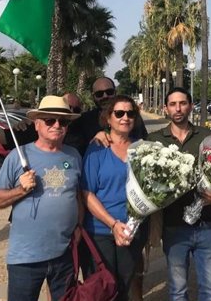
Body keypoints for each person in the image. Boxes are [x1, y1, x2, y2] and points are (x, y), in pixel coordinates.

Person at [0, 96, 82, 301]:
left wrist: (79, 226)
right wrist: (20, 190)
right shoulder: (18, 156)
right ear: (37, 124)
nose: (57, 125)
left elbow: (78, 196)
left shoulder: (74, 156)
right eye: (50, 120)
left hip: (64, 254)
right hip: (26, 258)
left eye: (63, 121)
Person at [147, 87, 211, 301]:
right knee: (178, 290)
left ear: (190, 106)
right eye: (173, 104)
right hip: (173, 227)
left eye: (182, 103)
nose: (178, 108)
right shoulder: (155, 139)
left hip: (206, 225)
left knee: (209, 289)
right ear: (166, 108)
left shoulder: (205, 135)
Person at [81, 95, 149, 301]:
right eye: (119, 113)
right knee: (103, 289)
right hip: (100, 231)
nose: (125, 117)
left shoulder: (143, 149)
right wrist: (113, 224)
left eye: (130, 113)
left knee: (125, 285)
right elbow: (87, 193)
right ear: (108, 118)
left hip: (132, 231)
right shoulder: (97, 149)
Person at [68, 77, 147, 155]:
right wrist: (94, 142)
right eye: (99, 94)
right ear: (93, 97)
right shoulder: (83, 121)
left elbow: (144, 142)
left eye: (109, 92)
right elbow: (72, 150)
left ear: (115, 92)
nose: (105, 96)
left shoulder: (132, 117)